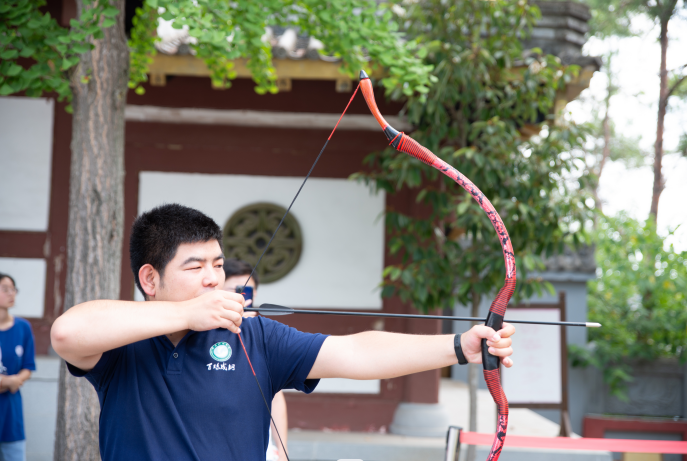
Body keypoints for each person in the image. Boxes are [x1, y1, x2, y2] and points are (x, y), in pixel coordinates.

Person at [51, 204, 515, 461]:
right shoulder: (123, 343)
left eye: (217, 264)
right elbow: (68, 333)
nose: (213, 279)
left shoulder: (254, 336)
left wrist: (459, 346)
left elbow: (356, 353)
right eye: (195, 267)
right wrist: (187, 314)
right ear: (150, 279)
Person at [223, 259, 288, 461]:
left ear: (255, 294)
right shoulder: (202, 329)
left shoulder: (262, 333)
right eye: (234, 290)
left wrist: (283, 451)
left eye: (246, 291)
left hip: (257, 446)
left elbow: (275, 396)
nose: (241, 297)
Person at [0, 273, 36, 461]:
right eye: (5, 289)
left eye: (13, 289)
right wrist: (7, 381)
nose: (11, 293)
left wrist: (14, 381)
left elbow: (28, 367)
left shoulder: (23, 327)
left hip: (11, 412)